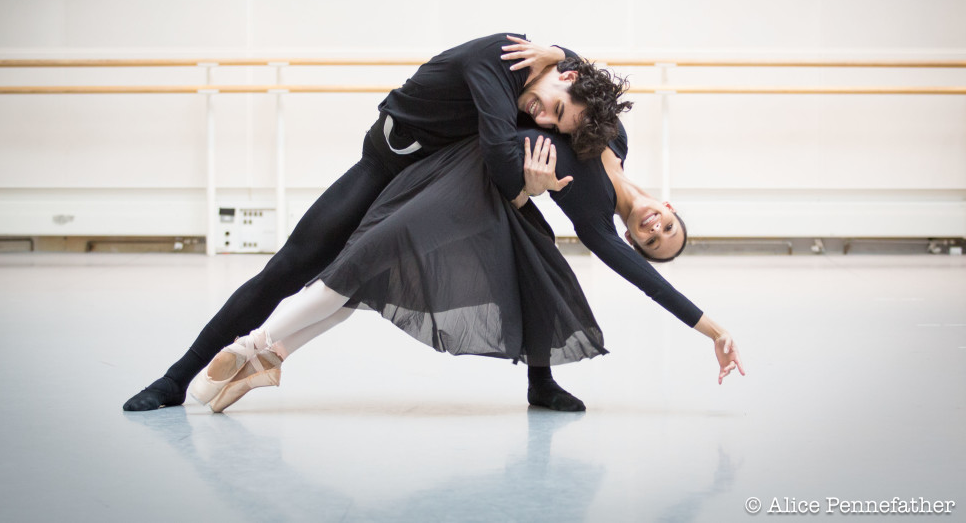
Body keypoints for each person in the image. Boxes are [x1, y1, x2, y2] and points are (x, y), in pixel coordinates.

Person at [123, 33, 629, 412]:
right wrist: (561, 55)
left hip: (432, 179)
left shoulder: (545, 86)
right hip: (380, 171)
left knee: (531, 251)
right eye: (553, 110)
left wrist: (565, 63)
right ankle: (175, 378)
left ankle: (540, 383)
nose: (542, 121)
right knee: (288, 270)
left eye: (553, 121)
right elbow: (500, 154)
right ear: (560, 77)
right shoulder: (499, 58)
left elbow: (596, 109)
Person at [189, 131, 745, 414]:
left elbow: (650, 285)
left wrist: (715, 331)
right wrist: (555, 52)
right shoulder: (616, 141)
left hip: (482, 195)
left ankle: (256, 346)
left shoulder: (600, 224)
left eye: (650, 242)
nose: (652, 231)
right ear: (668, 206)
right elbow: (572, 88)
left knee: (366, 267)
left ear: (632, 240)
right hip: (458, 161)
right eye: (665, 228)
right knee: (362, 275)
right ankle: (270, 357)